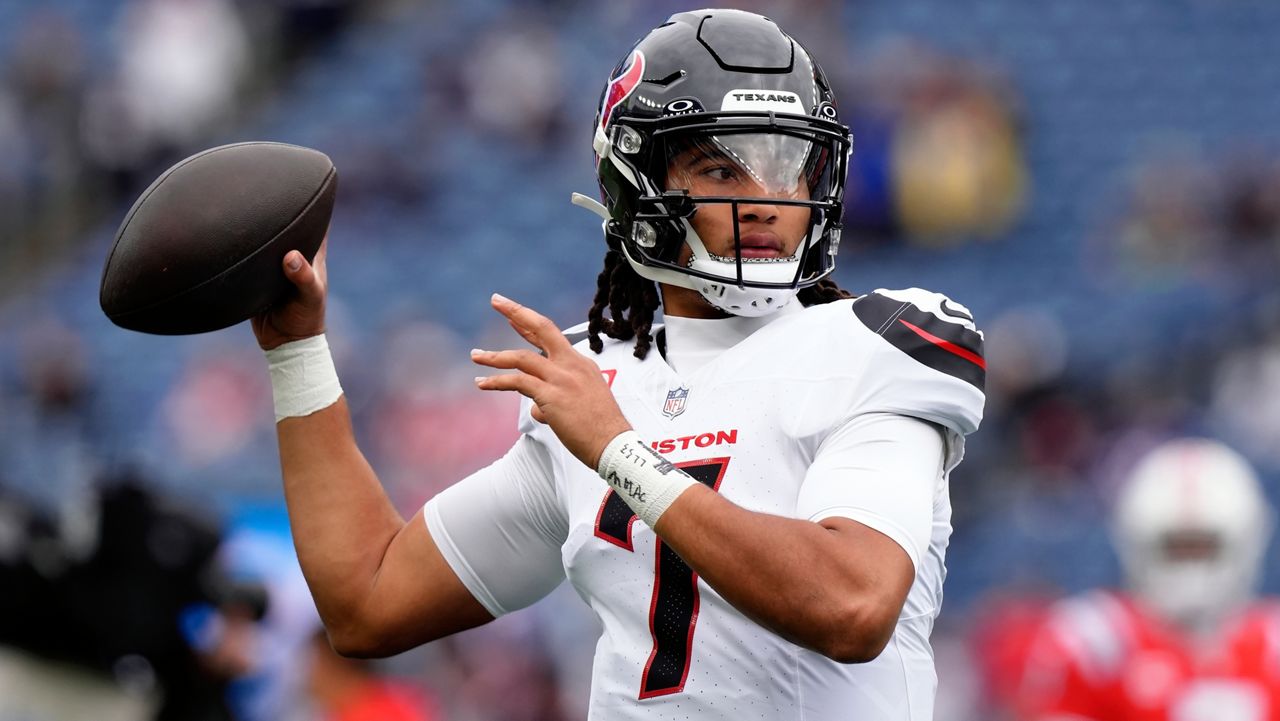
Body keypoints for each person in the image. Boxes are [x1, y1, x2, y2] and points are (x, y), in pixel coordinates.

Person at [252, 9, 985, 720]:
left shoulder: (879, 343)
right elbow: (368, 601)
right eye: (720, 170)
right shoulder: (596, 374)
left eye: (787, 167)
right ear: (634, 185)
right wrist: (297, 351)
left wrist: (620, 452)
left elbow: (851, 605)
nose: (765, 200)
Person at [1013, 438, 1280, 721]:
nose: (1190, 568)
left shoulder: (1273, 645)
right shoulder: (1095, 644)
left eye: (1203, 549)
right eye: (1175, 549)